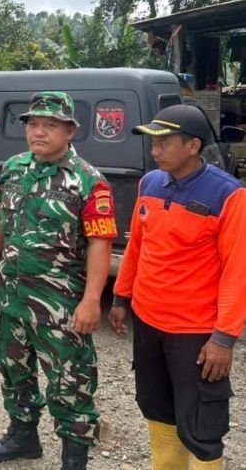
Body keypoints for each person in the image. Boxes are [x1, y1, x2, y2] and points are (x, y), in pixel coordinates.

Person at [0, 91, 116, 470]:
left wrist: (91, 301)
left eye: (49, 125)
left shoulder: (89, 181)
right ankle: (23, 436)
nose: (39, 131)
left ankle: (74, 458)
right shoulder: (14, 168)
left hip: (61, 305)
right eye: (33, 124)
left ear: (70, 130)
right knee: (13, 368)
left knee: (70, 380)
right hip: (14, 298)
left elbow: (101, 245)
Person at [108, 105, 246, 469]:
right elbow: (137, 246)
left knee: (201, 425)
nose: (155, 150)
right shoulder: (150, 183)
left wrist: (224, 338)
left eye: (164, 142)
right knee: (158, 411)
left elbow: (238, 271)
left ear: (193, 146)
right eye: (153, 141)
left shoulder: (229, 195)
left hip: (196, 334)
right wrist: (122, 297)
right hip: (149, 323)